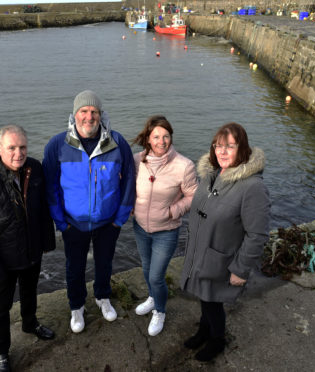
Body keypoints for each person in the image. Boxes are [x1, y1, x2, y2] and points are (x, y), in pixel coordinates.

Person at [43, 90, 135, 333]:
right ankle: (76, 306)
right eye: (83, 111)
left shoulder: (117, 142)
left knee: (104, 263)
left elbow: (129, 181)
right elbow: (50, 186)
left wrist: (120, 219)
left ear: (100, 115)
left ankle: (102, 297)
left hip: (108, 222)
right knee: (75, 267)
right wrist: (61, 222)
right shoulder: (57, 145)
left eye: (94, 111)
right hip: (73, 223)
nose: (89, 116)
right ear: (75, 115)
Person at [179, 122, 270, 362]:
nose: (223, 152)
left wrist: (241, 270)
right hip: (201, 253)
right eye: (219, 146)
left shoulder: (252, 187)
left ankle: (217, 340)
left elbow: (257, 235)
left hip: (221, 259)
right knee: (204, 297)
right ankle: (203, 331)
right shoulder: (212, 175)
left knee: (213, 302)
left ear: (243, 149)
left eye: (230, 146)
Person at [0, 125, 56, 372]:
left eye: (22, 147)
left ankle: (30, 324)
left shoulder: (35, 168)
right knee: (1, 307)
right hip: (4, 260)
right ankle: (2, 353)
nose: (18, 153)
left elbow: (43, 209)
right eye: (11, 148)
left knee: (30, 292)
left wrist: (47, 243)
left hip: (31, 251)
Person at [132, 115, 198, 336]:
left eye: (166, 136)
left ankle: (160, 311)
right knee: (146, 267)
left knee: (156, 276)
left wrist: (172, 211)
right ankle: (152, 298)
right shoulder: (136, 160)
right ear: (148, 139)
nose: (162, 141)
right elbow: (128, 187)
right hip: (140, 227)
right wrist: (130, 207)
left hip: (166, 231)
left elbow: (193, 196)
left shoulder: (184, 165)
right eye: (156, 136)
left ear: (171, 137)